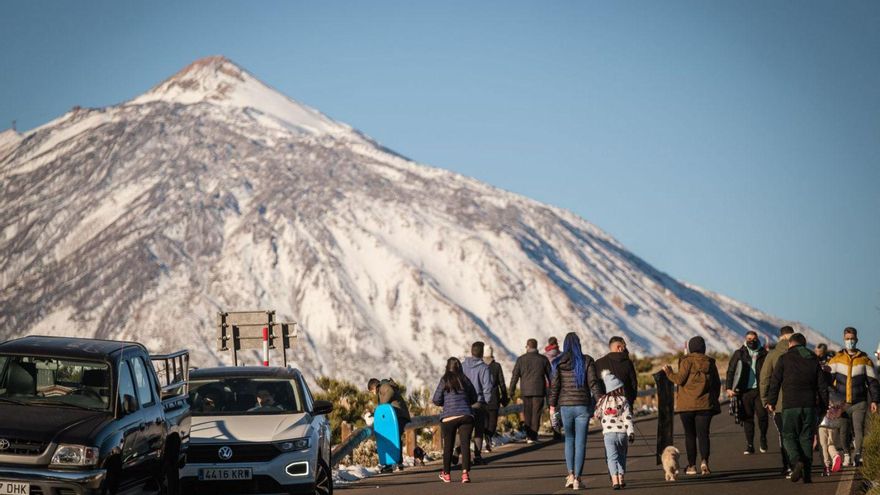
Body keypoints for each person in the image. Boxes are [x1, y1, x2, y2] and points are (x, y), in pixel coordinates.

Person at [766, 332, 829, 484]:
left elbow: (775, 382)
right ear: (804, 344)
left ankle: (796, 461)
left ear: (791, 344)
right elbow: (822, 386)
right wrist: (824, 406)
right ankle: (807, 475)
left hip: (790, 405)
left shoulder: (784, 358)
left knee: (788, 435)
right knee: (806, 439)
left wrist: (771, 401)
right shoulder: (813, 359)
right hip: (809, 406)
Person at [548, 332, 602, 490]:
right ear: (578, 344)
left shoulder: (558, 362)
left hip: (565, 406)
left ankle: (570, 475)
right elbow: (593, 383)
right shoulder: (587, 360)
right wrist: (601, 400)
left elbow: (555, 387)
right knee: (581, 443)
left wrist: (552, 407)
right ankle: (578, 478)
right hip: (583, 406)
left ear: (565, 345)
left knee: (569, 441)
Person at [662, 336, 721, 476]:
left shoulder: (686, 361)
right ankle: (705, 462)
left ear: (690, 347)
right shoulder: (710, 363)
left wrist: (669, 372)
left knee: (690, 435)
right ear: (703, 347)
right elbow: (717, 384)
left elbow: (679, 379)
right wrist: (712, 399)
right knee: (703, 435)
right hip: (705, 405)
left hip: (686, 406)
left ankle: (692, 466)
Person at [827, 327, 880, 467]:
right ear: (844, 340)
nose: (850, 341)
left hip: (859, 402)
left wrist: (875, 400)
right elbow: (826, 381)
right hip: (841, 404)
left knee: (859, 429)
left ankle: (857, 454)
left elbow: (873, 382)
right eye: (847, 339)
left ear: (856, 340)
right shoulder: (836, 359)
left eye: (852, 339)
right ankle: (846, 454)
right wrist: (831, 398)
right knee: (843, 432)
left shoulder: (864, 360)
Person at [432, 357, 479, 484]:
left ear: (447, 367)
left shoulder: (444, 380)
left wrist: (445, 403)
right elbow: (474, 397)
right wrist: (465, 402)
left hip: (448, 417)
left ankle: (446, 474)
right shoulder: (465, 379)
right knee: (465, 445)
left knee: (448, 446)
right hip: (466, 415)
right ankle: (465, 474)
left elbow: (436, 399)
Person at [760, 325, 795, 477]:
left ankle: (788, 465)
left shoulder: (773, 355)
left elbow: (764, 379)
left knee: (784, 435)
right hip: (802, 402)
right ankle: (801, 464)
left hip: (779, 404)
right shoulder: (805, 353)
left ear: (780, 337)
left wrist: (765, 401)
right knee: (800, 434)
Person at [725, 331, 769, 454]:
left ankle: (763, 437)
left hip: (760, 390)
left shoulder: (764, 353)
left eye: (754, 339)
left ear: (757, 339)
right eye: (749, 339)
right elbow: (731, 370)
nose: (751, 341)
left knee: (762, 416)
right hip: (744, 391)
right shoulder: (739, 353)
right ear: (745, 339)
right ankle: (750, 445)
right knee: (747, 418)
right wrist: (729, 387)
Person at [596, 370, 635, 490]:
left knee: (612, 458)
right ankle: (622, 477)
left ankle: (615, 481)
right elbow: (627, 418)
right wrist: (631, 432)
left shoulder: (602, 401)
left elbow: (597, 415)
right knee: (622, 456)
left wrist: (602, 417)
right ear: (619, 388)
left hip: (609, 434)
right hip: (622, 434)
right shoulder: (623, 400)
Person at [509, 338, 552, 443]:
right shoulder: (543, 359)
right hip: (539, 390)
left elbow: (515, 376)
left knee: (527, 412)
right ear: (536, 347)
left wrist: (511, 390)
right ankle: (533, 435)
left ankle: (529, 436)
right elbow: (550, 376)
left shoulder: (521, 359)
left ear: (527, 347)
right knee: (536, 413)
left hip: (526, 390)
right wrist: (552, 390)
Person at [367, 377, 412, 472]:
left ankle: (392, 463)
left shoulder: (384, 386)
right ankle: (395, 462)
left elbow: (390, 391)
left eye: (371, 391)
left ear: (374, 387)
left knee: (392, 438)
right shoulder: (382, 388)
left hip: (398, 416)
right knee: (394, 438)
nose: (372, 393)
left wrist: (382, 406)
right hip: (397, 416)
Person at [461, 341, 493, 465]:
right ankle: (477, 456)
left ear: (471, 351)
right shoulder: (484, 368)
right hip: (479, 403)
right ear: (482, 353)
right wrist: (487, 401)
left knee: (463, 430)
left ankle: (457, 451)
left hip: (464, 403)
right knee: (478, 430)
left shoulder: (463, 366)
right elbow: (487, 387)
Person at [595, 336, 639, 408]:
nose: (625, 349)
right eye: (624, 346)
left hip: (607, 406)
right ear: (619, 347)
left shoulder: (599, 363)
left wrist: (601, 402)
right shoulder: (627, 362)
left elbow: (596, 385)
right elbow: (633, 383)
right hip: (626, 403)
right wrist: (631, 400)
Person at [483, 346, 509, 452]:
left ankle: (486, 439)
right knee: (493, 422)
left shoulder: (479, 366)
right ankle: (488, 438)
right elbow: (502, 383)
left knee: (484, 421)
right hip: (494, 398)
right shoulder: (497, 366)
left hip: (482, 398)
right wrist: (504, 397)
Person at [818, 391, 845, 476]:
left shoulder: (820, 393)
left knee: (823, 445)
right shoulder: (836, 394)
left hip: (822, 424)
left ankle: (826, 466)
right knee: (830, 443)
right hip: (833, 424)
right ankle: (835, 456)